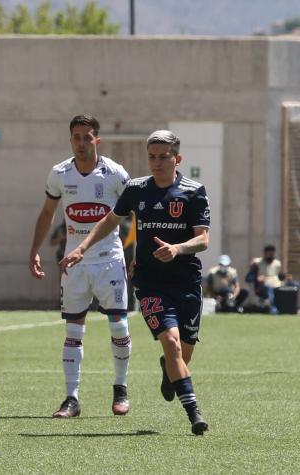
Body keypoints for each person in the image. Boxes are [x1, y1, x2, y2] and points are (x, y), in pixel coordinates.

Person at [61, 130, 211, 435]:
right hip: (149, 282)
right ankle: (194, 415)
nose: (156, 163)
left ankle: (170, 372)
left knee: (183, 352)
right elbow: (109, 221)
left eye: (163, 157)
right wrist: (81, 246)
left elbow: (204, 239)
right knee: (171, 344)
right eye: (152, 157)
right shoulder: (137, 189)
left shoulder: (194, 191)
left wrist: (177, 249)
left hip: (187, 282)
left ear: (177, 158)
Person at [28, 114, 132, 419]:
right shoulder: (60, 173)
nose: (82, 143)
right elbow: (47, 213)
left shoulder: (114, 173)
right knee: (73, 330)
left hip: (109, 261)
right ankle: (71, 398)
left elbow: (137, 212)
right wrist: (34, 250)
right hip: (74, 265)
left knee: (119, 326)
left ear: (97, 140)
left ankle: (120, 387)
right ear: (70, 139)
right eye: (77, 137)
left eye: (88, 137)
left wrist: (142, 252)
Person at [246, 244, 282, 314]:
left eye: (272, 254)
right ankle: (272, 310)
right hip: (264, 286)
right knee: (269, 292)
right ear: (265, 253)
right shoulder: (259, 262)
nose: (271, 255)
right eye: (269, 254)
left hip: (276, 285)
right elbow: (253, 263)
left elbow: (279, 275)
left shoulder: (277, 263)